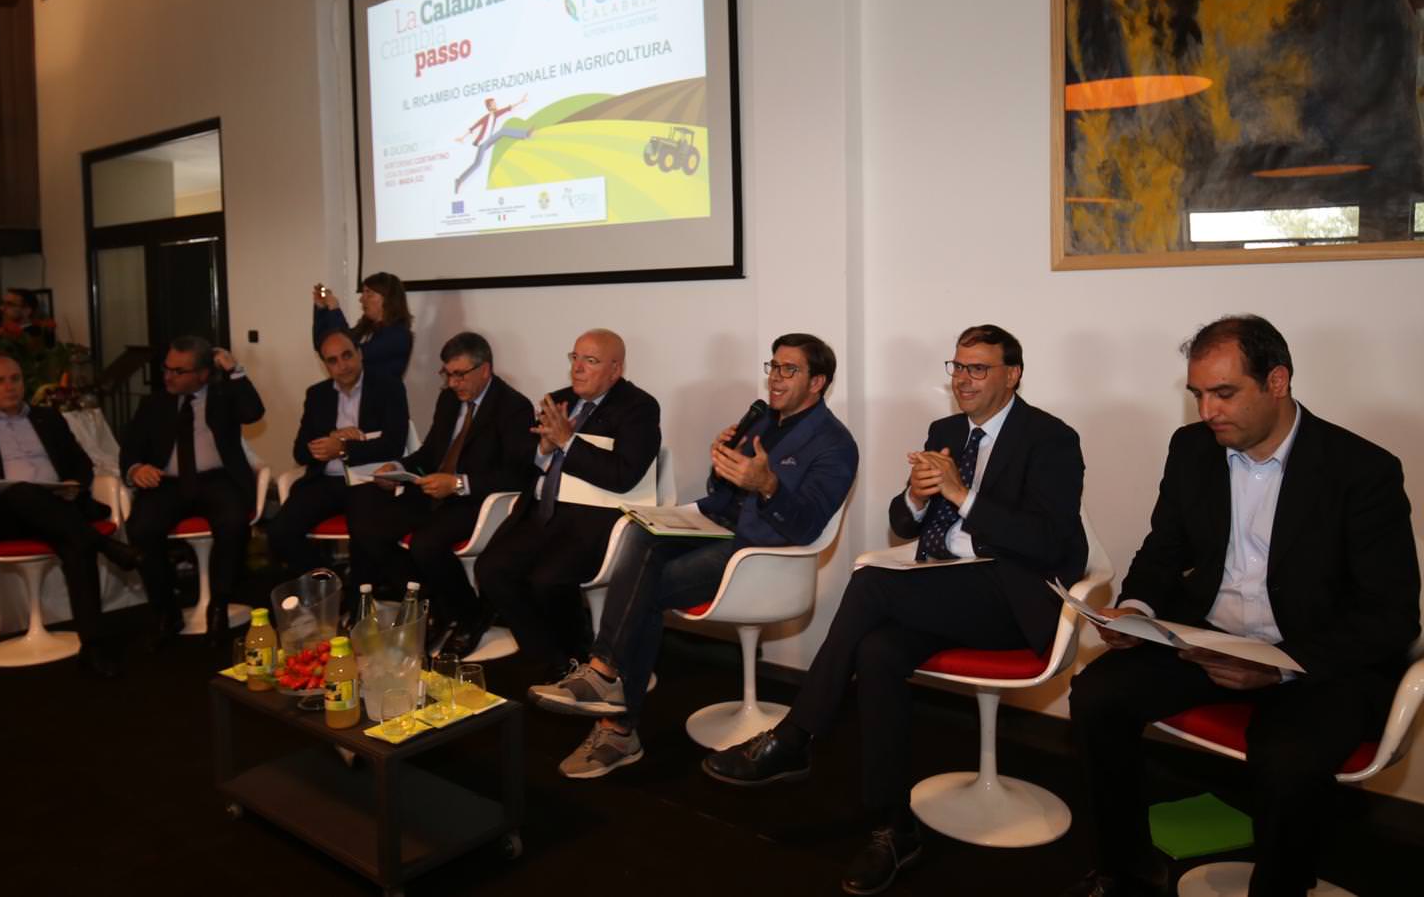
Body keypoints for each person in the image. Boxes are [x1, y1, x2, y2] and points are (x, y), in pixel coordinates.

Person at [703, 324, 1086, 896]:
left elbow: (1052, 544)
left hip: (1011, 597)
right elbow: (903, 523)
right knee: (878, 652)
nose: (963, 380)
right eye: (958, 367)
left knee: (870, 582)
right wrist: (916, 496)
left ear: (1013, 375)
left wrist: (961, 495)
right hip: (943, 589)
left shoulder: (1050, 438)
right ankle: (892, 827)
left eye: (978, 369)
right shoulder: (946, 431)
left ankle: (798, 733)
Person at [1063, 315, 1419, 897]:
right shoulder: (1192, 449)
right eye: (1198, 394)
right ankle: (1124, 869)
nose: (1208, 411)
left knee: (1287, 755)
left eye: (1224, 393)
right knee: (1098, 696)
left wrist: (1280, 667)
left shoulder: (1361, 470)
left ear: (1277, 381)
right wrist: (1136, 609)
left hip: (1313, 659)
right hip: (1210, 642)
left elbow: (1392, 615)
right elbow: (1164, 548)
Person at [532, 333, 858, 780]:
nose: (776, 379)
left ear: (817, 382)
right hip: (716, 526)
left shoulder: (835, 444)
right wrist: (722, 463)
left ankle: (614, 718)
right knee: (640, 532)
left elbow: (806, 526)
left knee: (644, 589)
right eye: (773, 367)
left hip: (759, 551)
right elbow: (722, 493)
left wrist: (767, 485)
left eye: (790, 370)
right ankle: (605, 677)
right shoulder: (763, 420)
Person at [0, 353, 140, 678]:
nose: (10, 387)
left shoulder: (47, 418)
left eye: (15, 379)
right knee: (20, 491)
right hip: (3, 515)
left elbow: (81, 464)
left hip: (58, 509)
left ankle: (93, 647)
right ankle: (107, 545)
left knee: (76, 545)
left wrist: (73, 485)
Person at [473, 329, 660, 667]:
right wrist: (542, 450)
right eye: (575, 357)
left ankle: (577, 655)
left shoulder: (638, 408)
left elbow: (624, 475)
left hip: (593, 522)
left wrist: (568, 442)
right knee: (491, 569)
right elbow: (521, 464)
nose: (578, 368)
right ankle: (550, 660)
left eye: (591, 361)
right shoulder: (557, 400)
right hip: (541, 514)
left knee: (548, 580)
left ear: (615, 370)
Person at [350, 332, 536, 650]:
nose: (452, 383)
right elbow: (430, 453)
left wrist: (460, 483)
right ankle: (428, 600)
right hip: (434, 490)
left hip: (477, 500)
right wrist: (397, 468)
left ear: (485, 370)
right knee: (368, 523)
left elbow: (518, 475)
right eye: (447, 374)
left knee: (426, 544)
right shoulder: (449, 399)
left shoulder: (513, 407)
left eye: (459, 374)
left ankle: (469, 614)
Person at [120, 335, 266, 648]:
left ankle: (219, 606)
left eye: (178, 371)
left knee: (233, 523)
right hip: (167, 483)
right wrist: (136, 469)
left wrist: (235, 370)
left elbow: (253, 412)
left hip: (217, 480)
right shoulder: (153, 403)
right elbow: (129, 450)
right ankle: (166, 610)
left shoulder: (224, 396)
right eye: (167, 368)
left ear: (202, 373)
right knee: (141, 528)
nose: (168, 376)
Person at [267, 327, 409, 574]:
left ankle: (360, 592)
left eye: (347, 355)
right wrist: (333, 438)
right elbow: (300, 453)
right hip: (325, 481)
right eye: (333, 361)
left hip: (367, 480)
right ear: (325, 365)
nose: (343, 366)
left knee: (364, 534)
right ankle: (329, 580)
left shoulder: (388, 387)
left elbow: (394, 444)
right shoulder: (317, 395)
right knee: (279, 532)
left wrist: (345, 448)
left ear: (359, 353)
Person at [310, 272, 413, 381]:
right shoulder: (365, 329)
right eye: (363, 293)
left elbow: (347, 353)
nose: (361, 299)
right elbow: (323, 345)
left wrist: (335, 309)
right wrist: (321, 309)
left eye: (369, 294)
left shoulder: (398, 336)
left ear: (388, 298)